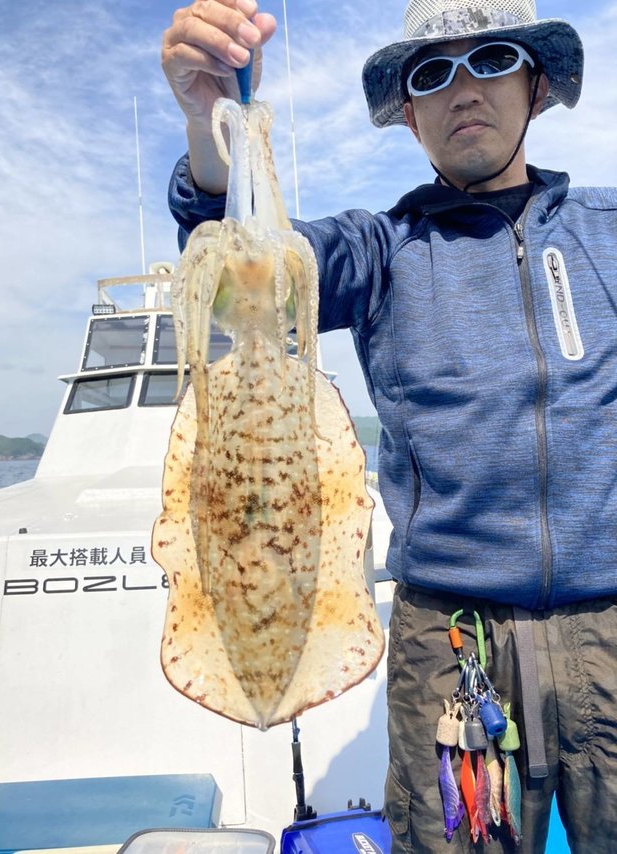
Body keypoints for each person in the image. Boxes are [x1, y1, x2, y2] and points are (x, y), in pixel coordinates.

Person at [161, 1, 617, 851]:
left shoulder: (607, 231)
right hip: (453, 642)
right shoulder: (381, 250)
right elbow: (238, 277)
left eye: (490, 60)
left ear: (537, 81)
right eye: (431, 73)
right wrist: (207, 131)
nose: (463, 90)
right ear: (410, 114)